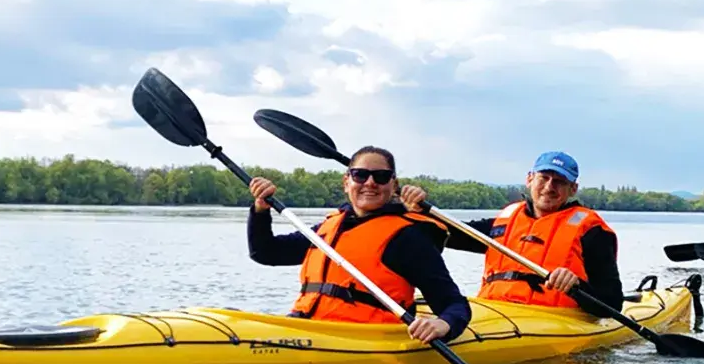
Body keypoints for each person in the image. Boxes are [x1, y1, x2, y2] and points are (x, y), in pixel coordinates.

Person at [247, 145, 472, 344]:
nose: (370, 183)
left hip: (364, 339)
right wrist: (260, 209)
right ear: (347, 182)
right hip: (307, 328)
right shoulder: (327, 228)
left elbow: (453, 303)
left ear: (393, 185)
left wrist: (444, 324)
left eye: (381, 177)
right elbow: (265, 252)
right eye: (360, 175)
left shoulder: (408, 238)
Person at [399, 150, 624, 318]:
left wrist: (577, 287)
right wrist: (417, 211)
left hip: (553, 319)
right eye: (543, 178)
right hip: (493, 310)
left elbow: (612, 304)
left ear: (573, 189)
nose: (549, 187)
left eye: (559, 182)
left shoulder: (592, 232)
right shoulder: (504, 220)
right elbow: (448, 233)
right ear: (529, 179)